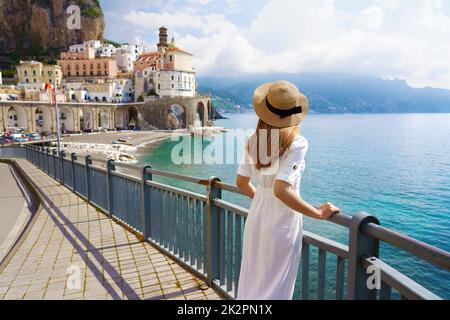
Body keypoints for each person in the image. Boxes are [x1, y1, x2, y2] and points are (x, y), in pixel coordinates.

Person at [236, 80, 340, 300]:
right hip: (282, 221)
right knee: (277, 285)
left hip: (256, 217)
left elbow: (241, 183)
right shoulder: (297, 143)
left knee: (253, 277)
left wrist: (262, 199)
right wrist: (318, 214)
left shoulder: (251, 140)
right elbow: (282, 190)